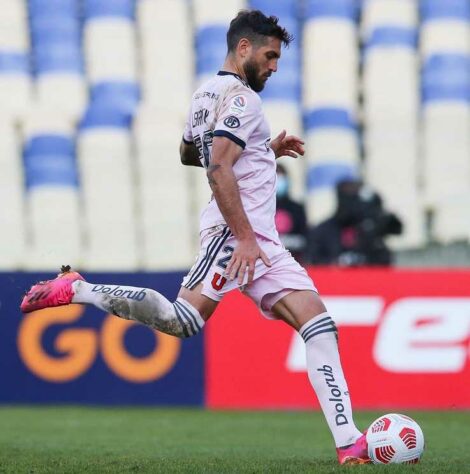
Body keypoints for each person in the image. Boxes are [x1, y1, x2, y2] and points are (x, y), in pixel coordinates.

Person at [20, 10, 370, 465]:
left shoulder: (206, 94)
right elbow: (216, 166)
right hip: (237, 232)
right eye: (269, 55)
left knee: (319, 326)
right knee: (183, 320)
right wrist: (244, 237)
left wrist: (263, 148)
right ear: (243, 48)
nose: (274, 66)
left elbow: (191, 151)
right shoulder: (243, 100)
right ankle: (78, 288)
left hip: (260, 239)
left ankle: (350, 443)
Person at [308, 179, 403, 266]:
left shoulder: (369, 226)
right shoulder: (323, 231)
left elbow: (396, 229)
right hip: (334, 281)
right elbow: (314, 261)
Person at [275, 164, 308, 264]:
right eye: (276, 176)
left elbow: (304, 236)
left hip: (293, 259)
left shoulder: (297, 208)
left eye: (282, 176)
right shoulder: (260, 208)